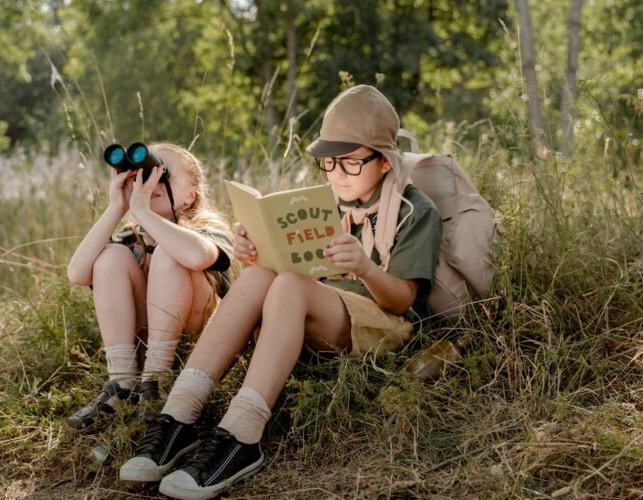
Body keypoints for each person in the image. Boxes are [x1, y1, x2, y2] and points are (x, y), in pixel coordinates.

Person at [119, 85, 443, 500]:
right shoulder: (326, 202)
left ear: (384, 161)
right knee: (258, 277)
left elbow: (401, 302)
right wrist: (256, 252)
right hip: (317, 311)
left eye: (350, 162)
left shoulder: (414, 208)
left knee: (289, 284)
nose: (337, 174)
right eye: (328, 163)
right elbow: (298, 271)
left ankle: (242, 434)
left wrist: (363, 266)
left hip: (380, 323)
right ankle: (178, 415)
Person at [65, 143, 234, 431]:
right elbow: (78, 273)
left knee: (171, 253)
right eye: (140, 175)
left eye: (162, 175)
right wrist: (117, 207)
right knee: (110, 257)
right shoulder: (131, 238)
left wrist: (144, 212)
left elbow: (196, 256)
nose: (150, 182)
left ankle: (158, 379)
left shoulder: (206, 229)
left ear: (191, 195)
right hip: (144, 348)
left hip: (198, 345)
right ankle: (123, 382)